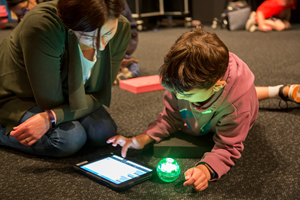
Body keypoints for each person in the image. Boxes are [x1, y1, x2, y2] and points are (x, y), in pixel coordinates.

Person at [107, 26, 259, 192]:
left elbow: (228, 147)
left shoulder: (238, 106)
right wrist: (142, 139)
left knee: (249, 98)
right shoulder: (180, 81)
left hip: (236, 105)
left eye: (187, 95)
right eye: (176, 92)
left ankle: (270, 91)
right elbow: (171, 117)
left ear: (216, 87)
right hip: (216, 103)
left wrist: (205, 170)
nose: (179, 98)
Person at [0, 0, 131, 157]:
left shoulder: (121, 28)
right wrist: (51, 116)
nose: (101, 46)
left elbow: (99, 94)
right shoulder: (42, 24)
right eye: (88, 36)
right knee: (69, 139)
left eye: (107, 33)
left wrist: (51, 118)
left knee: (102, 132)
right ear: (69, 26)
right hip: (19, 95)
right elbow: (50, 101)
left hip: (69, 95)